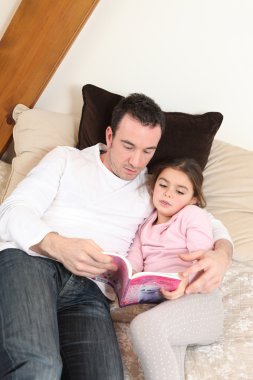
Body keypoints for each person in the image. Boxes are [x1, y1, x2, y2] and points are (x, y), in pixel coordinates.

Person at [0, 93, 232, 379]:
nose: (136, 160)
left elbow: (209, 222)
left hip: (90, 290)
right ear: (109, 136)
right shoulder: (66, 159)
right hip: (31, 262)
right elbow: (11, 211)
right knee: (41, 367)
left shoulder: (153, 188)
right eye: (128, 146)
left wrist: (221, 255)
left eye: (148, 150)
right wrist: (58, 245)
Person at [128, 158, 225, 380]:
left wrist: (184, 283)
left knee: (144, 326)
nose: (168, 194)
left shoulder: (192, 215)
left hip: (199, 300)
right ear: (154, 187)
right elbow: (132, 264)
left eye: (179, 191)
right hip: (166, 303)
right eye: (163, 185)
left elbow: (201, 258)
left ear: (193, 199)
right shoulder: (144, 225)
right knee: (170, 366)